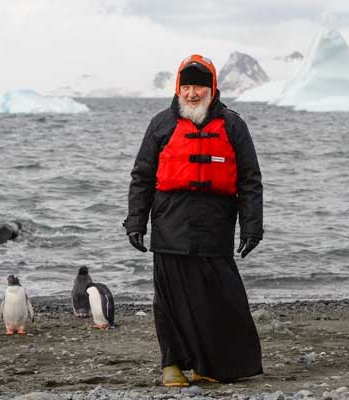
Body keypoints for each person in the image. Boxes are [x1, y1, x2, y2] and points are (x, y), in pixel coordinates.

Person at [123, 54, 264, 386]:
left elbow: (250, 179)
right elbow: (141, 177)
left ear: (212, 89)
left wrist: (252, 224)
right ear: (177, 88)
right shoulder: (161, 124)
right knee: (169, 300)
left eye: (198, 87)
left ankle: (209, 365)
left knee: (220, 299)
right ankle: (171, 365)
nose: (191, 93)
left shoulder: (233, 126)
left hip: (215, 227)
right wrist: (135, 221)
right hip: (170, 225)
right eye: (185, 86)